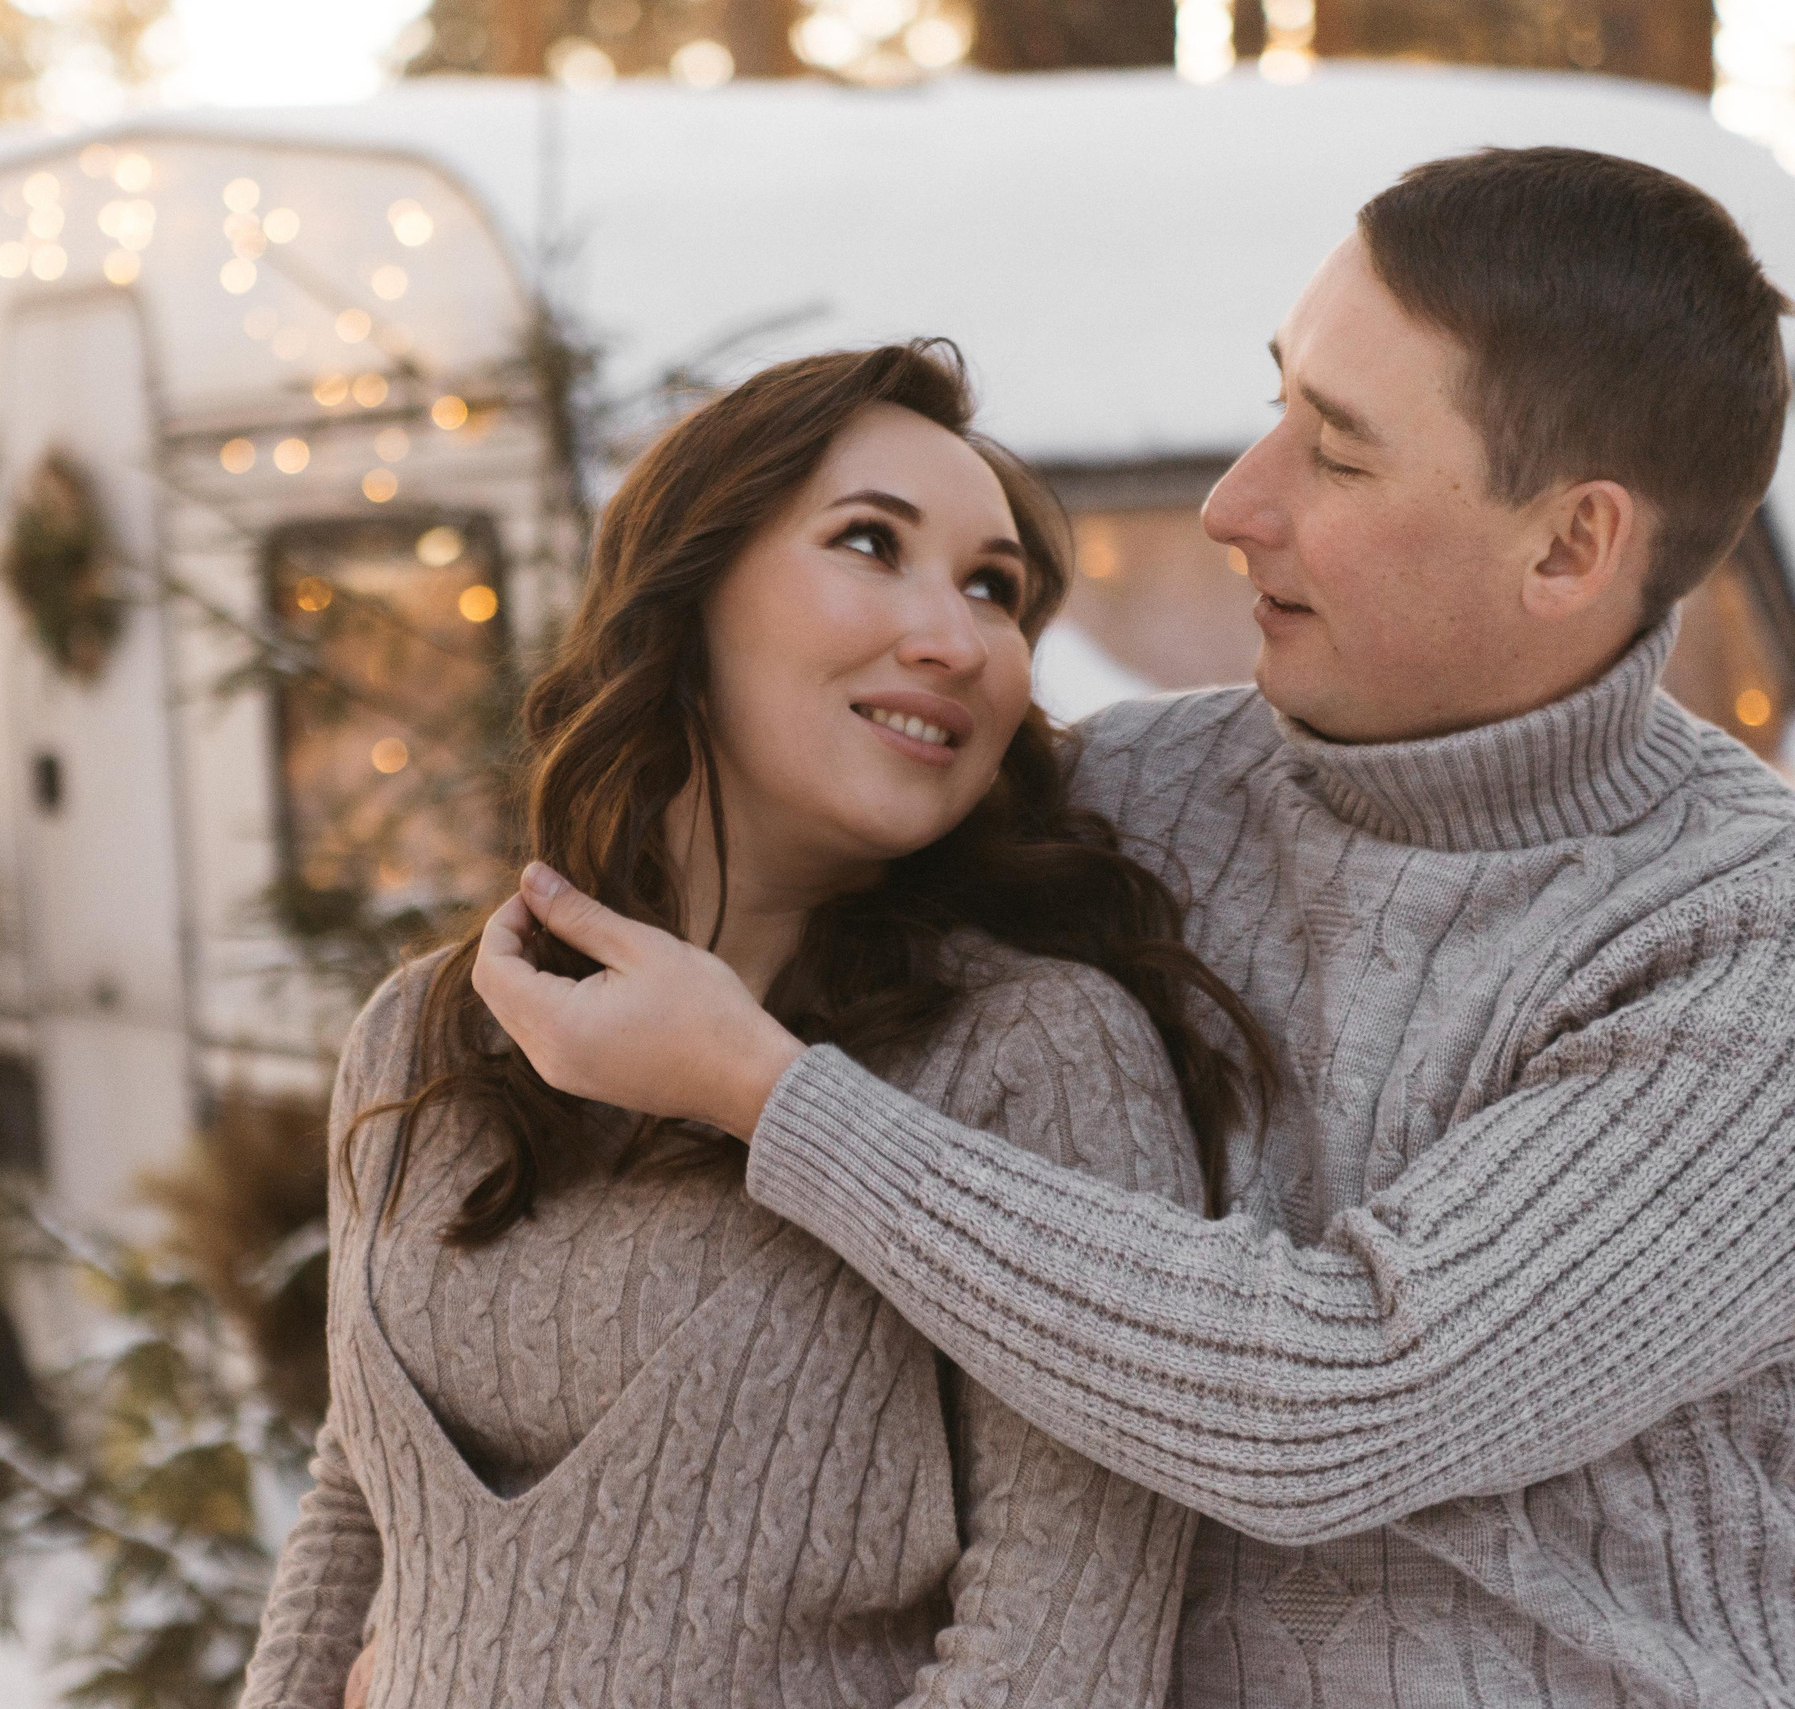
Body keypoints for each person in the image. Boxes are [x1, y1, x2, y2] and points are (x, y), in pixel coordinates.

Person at [470, 146, 1795, 1708]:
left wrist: (774, 1098)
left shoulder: (1741, 943)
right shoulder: (1132, 797)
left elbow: (1341, 1404)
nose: (1237, 502)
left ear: (1569, 547)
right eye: (1276, 400)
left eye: (1339, 455)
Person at [238, 340, 1278, 1709]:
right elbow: (360, 1500)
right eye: (871, 543)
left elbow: (1059, 1646)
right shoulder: (427, 1031)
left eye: (995, 590)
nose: (958, 640)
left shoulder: (1035, 1057)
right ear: (691, 592)